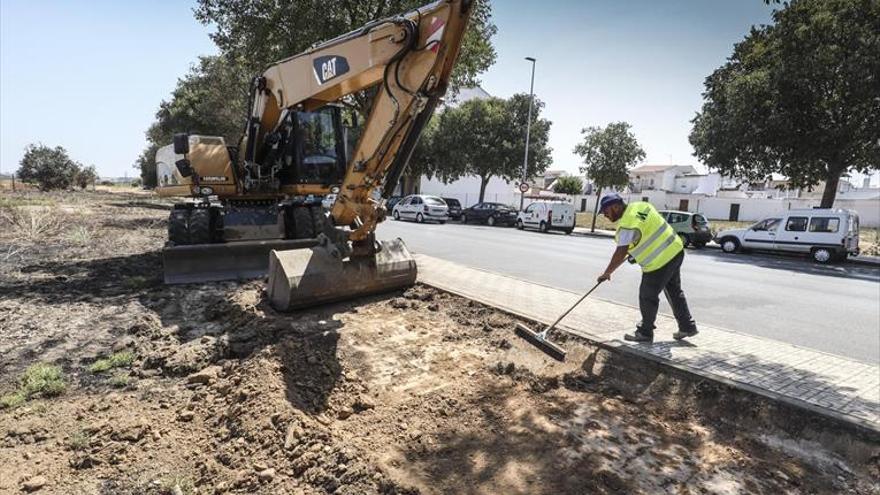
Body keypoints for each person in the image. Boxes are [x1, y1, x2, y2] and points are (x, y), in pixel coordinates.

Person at [596, 193, 698, 342]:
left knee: (647, 296)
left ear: (616, 207)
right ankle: (687, 327)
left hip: (659, 262)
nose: (605, 215)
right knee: (674, 291)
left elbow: (620, 252)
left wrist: (607, 273)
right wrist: (636, 253)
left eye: (605, 211)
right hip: (675, 250)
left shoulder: (626, 224)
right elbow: (649, 230)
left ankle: (645, 332)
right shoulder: (641, 206)